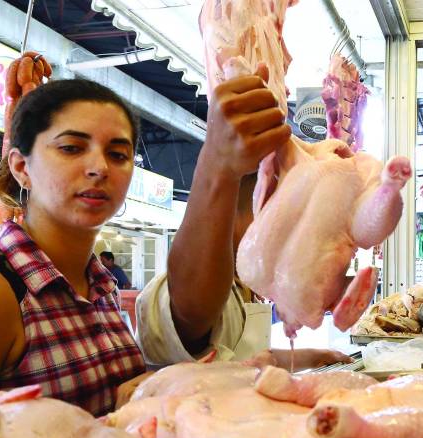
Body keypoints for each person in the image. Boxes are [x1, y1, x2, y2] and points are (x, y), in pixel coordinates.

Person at [0, 79, 146, 416]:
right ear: (22, 167)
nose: (99, 168)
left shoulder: (102, 286)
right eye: (71, 148)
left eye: (118, 154)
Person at [135, 65, 349, 370]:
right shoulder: (178, 293)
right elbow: (192, 312)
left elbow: (245, 360)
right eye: (282, 216)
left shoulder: (245, 285)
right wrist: (218, 164)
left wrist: (318, 357)